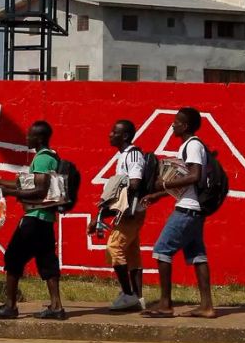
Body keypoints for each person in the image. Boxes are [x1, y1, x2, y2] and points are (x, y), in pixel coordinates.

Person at [0, 120, 66, 320]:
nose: (26, 138)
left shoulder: (43, 159)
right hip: (44, 219)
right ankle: (56, 307)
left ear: (39, 138)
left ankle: (10, 306)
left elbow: (40, 189)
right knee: (47, 261)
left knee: (12, 258)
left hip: (35, 218)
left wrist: (8, 192)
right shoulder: (48, 157)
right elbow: (30, 184)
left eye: (30, 135)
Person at [140, 107, 215, 318]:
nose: (173, 125)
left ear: (185, 126)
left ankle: (165, 303)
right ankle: (207, 306)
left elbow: (193, 176)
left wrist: (164, 184)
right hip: (194, 208)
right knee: (197, 256)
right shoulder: (192, 146)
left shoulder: (191, 146)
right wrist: (159, 195)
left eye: (177, 122)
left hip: (187, 210)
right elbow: (188, 183)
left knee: (162, 250)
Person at [87, 120, 146, 311]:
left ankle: (128, 294)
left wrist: (118, 208)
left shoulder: (133, 155)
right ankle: (138, 297)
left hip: (131, 212)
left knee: (114, 248)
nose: (110, 134)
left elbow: (135, 183)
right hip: (128, 212)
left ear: (125, 136)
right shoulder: (124, 156)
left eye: (115, 132)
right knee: (132, 253)